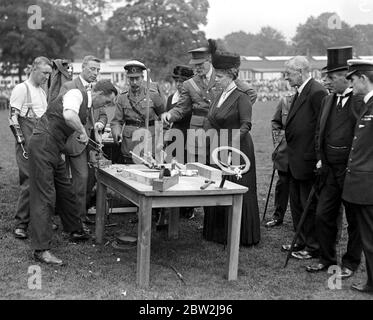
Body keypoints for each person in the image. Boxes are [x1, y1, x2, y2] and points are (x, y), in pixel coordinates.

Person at [28, 79, 117, 265]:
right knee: (45, 197)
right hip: (43, 145)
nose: (107, 106)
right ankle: (41, 249)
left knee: (65, 190)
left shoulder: (87, 104)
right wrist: (82, 132)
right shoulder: (76, 94)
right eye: (107, 102)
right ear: (99, 94)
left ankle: (75, 230)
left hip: (54, 147)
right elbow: (69, 116)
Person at [306, 47, 363, 278]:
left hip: (351, 172)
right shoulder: (328, 100)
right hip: (329, 170)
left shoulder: (361, 102)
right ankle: (327, 258)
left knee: (354, 220)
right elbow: (320, 132)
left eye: (330, 77)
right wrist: (320, 160)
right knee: (323, 215)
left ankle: (350, 262)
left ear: (345, 77)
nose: (326, 82)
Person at [162, 40, 257, 164]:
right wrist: (170, 114)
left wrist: (232, 111)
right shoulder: (188, 84)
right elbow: (181, 108)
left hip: (219, 132)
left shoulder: (223, 76)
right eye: (195, 65)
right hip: (197, 135)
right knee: (196, 170)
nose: (197, 68)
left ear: (209, 61)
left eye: (200, 64)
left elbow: (250, 93)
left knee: (219, 167)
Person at [202, 49, 260, 246]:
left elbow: (246, 124)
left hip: (238, 149)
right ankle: (218, 233)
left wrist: (230, 144)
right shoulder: (219, 96)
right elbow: (210, 118)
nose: (215, 80)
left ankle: (241, 235)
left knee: (236, 188)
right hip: (219, 147)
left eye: (218, 76)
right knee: (219, 186)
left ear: (230, 76)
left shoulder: (241, 96)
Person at [281, 56, 328, 260]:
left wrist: (318, 157)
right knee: (298, 203)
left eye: (289, 74)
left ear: (300, 72)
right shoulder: (300, 91)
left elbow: (321, 127)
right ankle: (300, 240)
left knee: (309, 204)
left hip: (307, 159)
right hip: (295, 158)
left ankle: (312, 245)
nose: (286, 77)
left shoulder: (317, 91)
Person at [9, 56, 52, 240]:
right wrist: (22, 143)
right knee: (28, 182)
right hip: (26, 143)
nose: (47, 77)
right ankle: (21, 224)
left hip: (42, 142)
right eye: (44, 73)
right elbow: (12, 118)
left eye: (49, 74)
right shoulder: (21, 89)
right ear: (34, 69)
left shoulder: (42, 91)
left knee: (43, 181)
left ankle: (40, 220)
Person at [64, 56, 108, 229]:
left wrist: (100, 124)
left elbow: (103, 113)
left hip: (90, 141)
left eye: (98, 70)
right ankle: (74, 218)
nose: (95, 73)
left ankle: (80, 215)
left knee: (87, 179)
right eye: (92, 69)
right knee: (77, 179)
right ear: (82, 67)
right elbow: (64, 114)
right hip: (72, 139)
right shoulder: (69, 86)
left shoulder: (97, 89)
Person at [342, 59, 373, 294]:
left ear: (363, 78)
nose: (351, 85)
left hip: (368, 184)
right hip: (361, 182)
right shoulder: (366, 104)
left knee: (370, 240)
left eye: (352, 80)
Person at [110, 60, 165, 163]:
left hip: (150, 143)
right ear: (128, 79)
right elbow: (117, 121)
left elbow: (164, 118)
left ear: (142, 78)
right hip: (130, 144)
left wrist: (161, 139)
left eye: (137, 78)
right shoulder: (122, 97)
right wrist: (116, 132)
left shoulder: (153, 95)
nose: (134, 82)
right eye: (131, 79)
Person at [265, 93, 293, 228]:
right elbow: (276, 122)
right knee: (282, 185)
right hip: (284, 151)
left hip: (302, 152)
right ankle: (277, 216)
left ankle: (299, 220)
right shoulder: (285, 101)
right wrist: (278, 142)